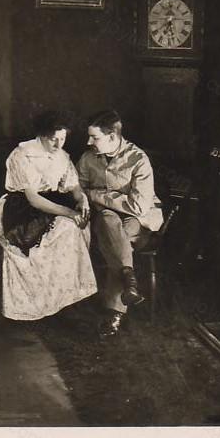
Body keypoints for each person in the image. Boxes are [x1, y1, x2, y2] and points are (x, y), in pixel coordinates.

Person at [0, 111, 97, 321]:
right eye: (53, 139)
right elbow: (33, 199)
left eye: (63, 139)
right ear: (41, 135)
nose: (58, 144)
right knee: (65, 228)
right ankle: (35, 304)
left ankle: (62, 298)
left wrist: (82, 198)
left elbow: (73, 185)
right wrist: (69, 212)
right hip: (21, 207)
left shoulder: (62, 156)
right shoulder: (23, 154)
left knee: (75, 227)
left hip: (49, 204)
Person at [77, 109, 163, 336]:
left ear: (112, 136)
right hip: (104, 220)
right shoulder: (87, 158)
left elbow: (138, 207)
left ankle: (119, 299)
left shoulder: (138, 159)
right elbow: (77, 191)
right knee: (108, 220)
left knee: (117, 239)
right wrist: (96, 197)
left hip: (138, 222)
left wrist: (96, 195)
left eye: (94, 137)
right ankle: (128, 283)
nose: (88, 142)